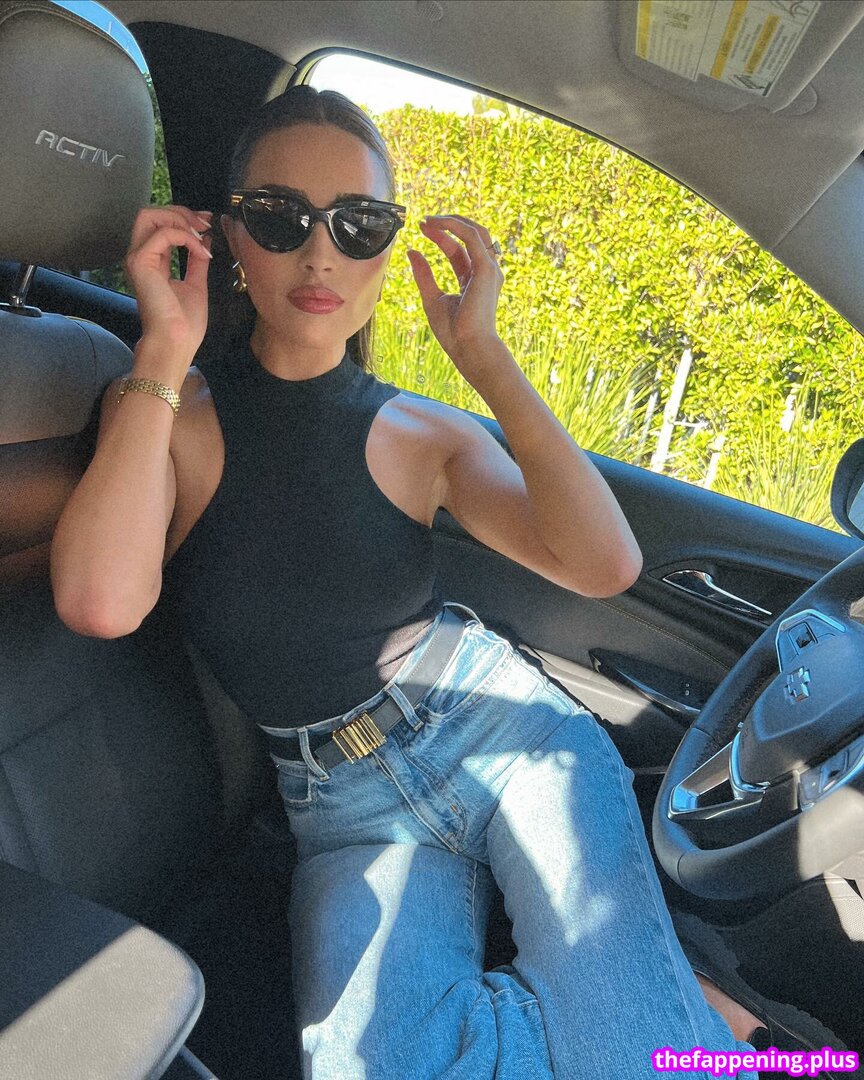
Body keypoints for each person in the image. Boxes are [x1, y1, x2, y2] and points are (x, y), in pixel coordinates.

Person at [50, 86, 785, 1080]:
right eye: (280, 217)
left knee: (632, 1061)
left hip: (506, 734)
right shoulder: (165, 414)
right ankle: (690, 1021)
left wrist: (482, 355)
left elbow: (603, 564)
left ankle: (652, 1015)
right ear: (227, 237)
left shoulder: (422, 432)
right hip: (340, 808)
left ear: (387, 249)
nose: (321, 255)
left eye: (358, 225)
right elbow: (101, 603)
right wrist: (163, 347)